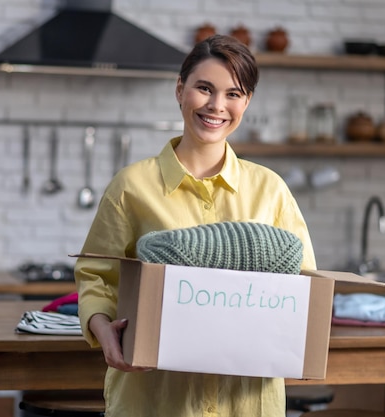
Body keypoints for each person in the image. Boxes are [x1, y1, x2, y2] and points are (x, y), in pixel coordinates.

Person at [74, 34, 317, 417]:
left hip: (247, 404)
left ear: (247, 102)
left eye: (233, 94)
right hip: (153, 400)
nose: (217, 106)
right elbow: (95, 275)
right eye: (204, 88)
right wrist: (102, 329)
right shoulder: (132, 186)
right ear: (180, 90)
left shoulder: (271, 190)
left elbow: (304, 286)